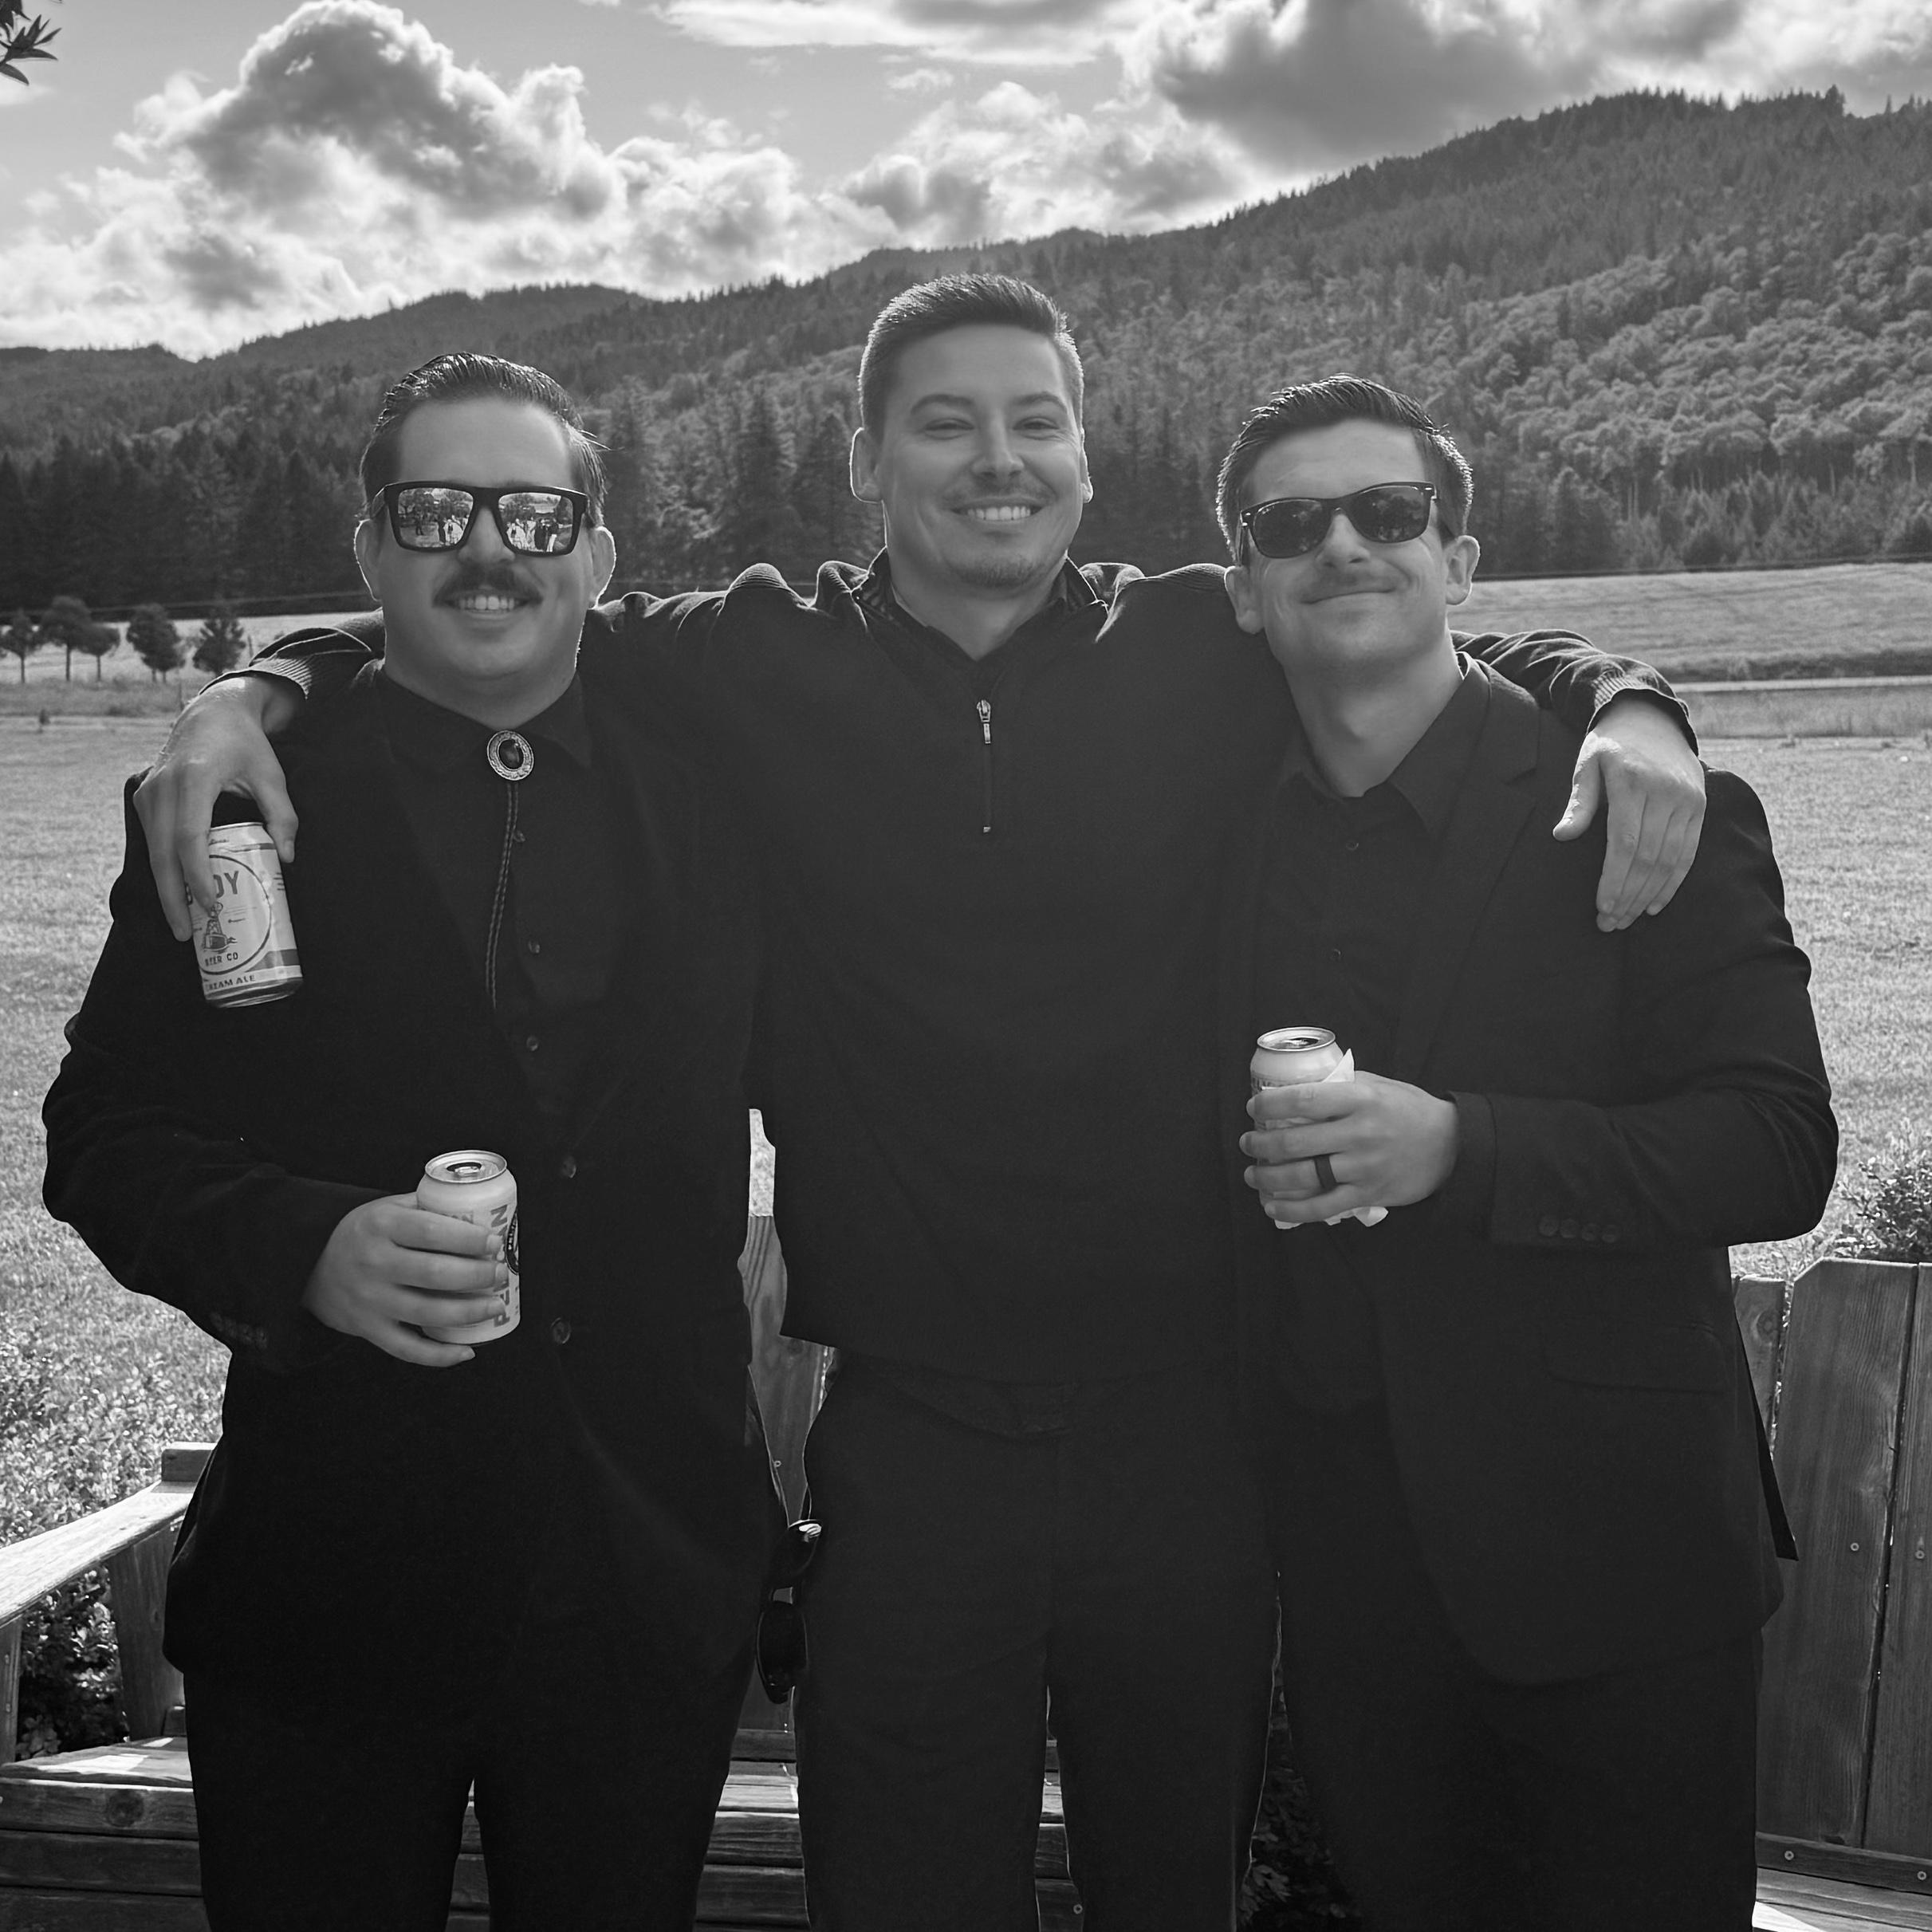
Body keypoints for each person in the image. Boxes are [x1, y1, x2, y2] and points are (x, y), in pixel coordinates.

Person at [129, 279, 1709, 1932]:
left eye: (1036, 421)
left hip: (1189, 1431)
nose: (996, 458)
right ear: (866, 462)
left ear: (1086, 461)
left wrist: (1632, 700)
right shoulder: (747, 656)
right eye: (945, 423)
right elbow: (487, 602)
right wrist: (250, 691)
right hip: (909, 1440)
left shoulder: (1200, 644)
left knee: (1172, 1898)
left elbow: (1419, 622)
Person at [42, 355, 784, 1932]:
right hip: (334, 1582)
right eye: (436, 511)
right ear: (372, 548)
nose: (489, 547)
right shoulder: (244, 802)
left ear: (598, 553)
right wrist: (304, 1245)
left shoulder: (721, 777)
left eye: (535, 512)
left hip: (646, 1576)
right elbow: (103, 1131)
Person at [1220, 376, 1837, 1930]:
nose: (1342, 544)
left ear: (1461, 556)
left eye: (1389, 511)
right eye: (1292, 522)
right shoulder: (1219, 835)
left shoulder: (1645, 805)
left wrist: (1462, 1151)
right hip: (1354, 1590)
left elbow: (1777, 1147)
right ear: (1243, 585)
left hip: (1620, 1566)